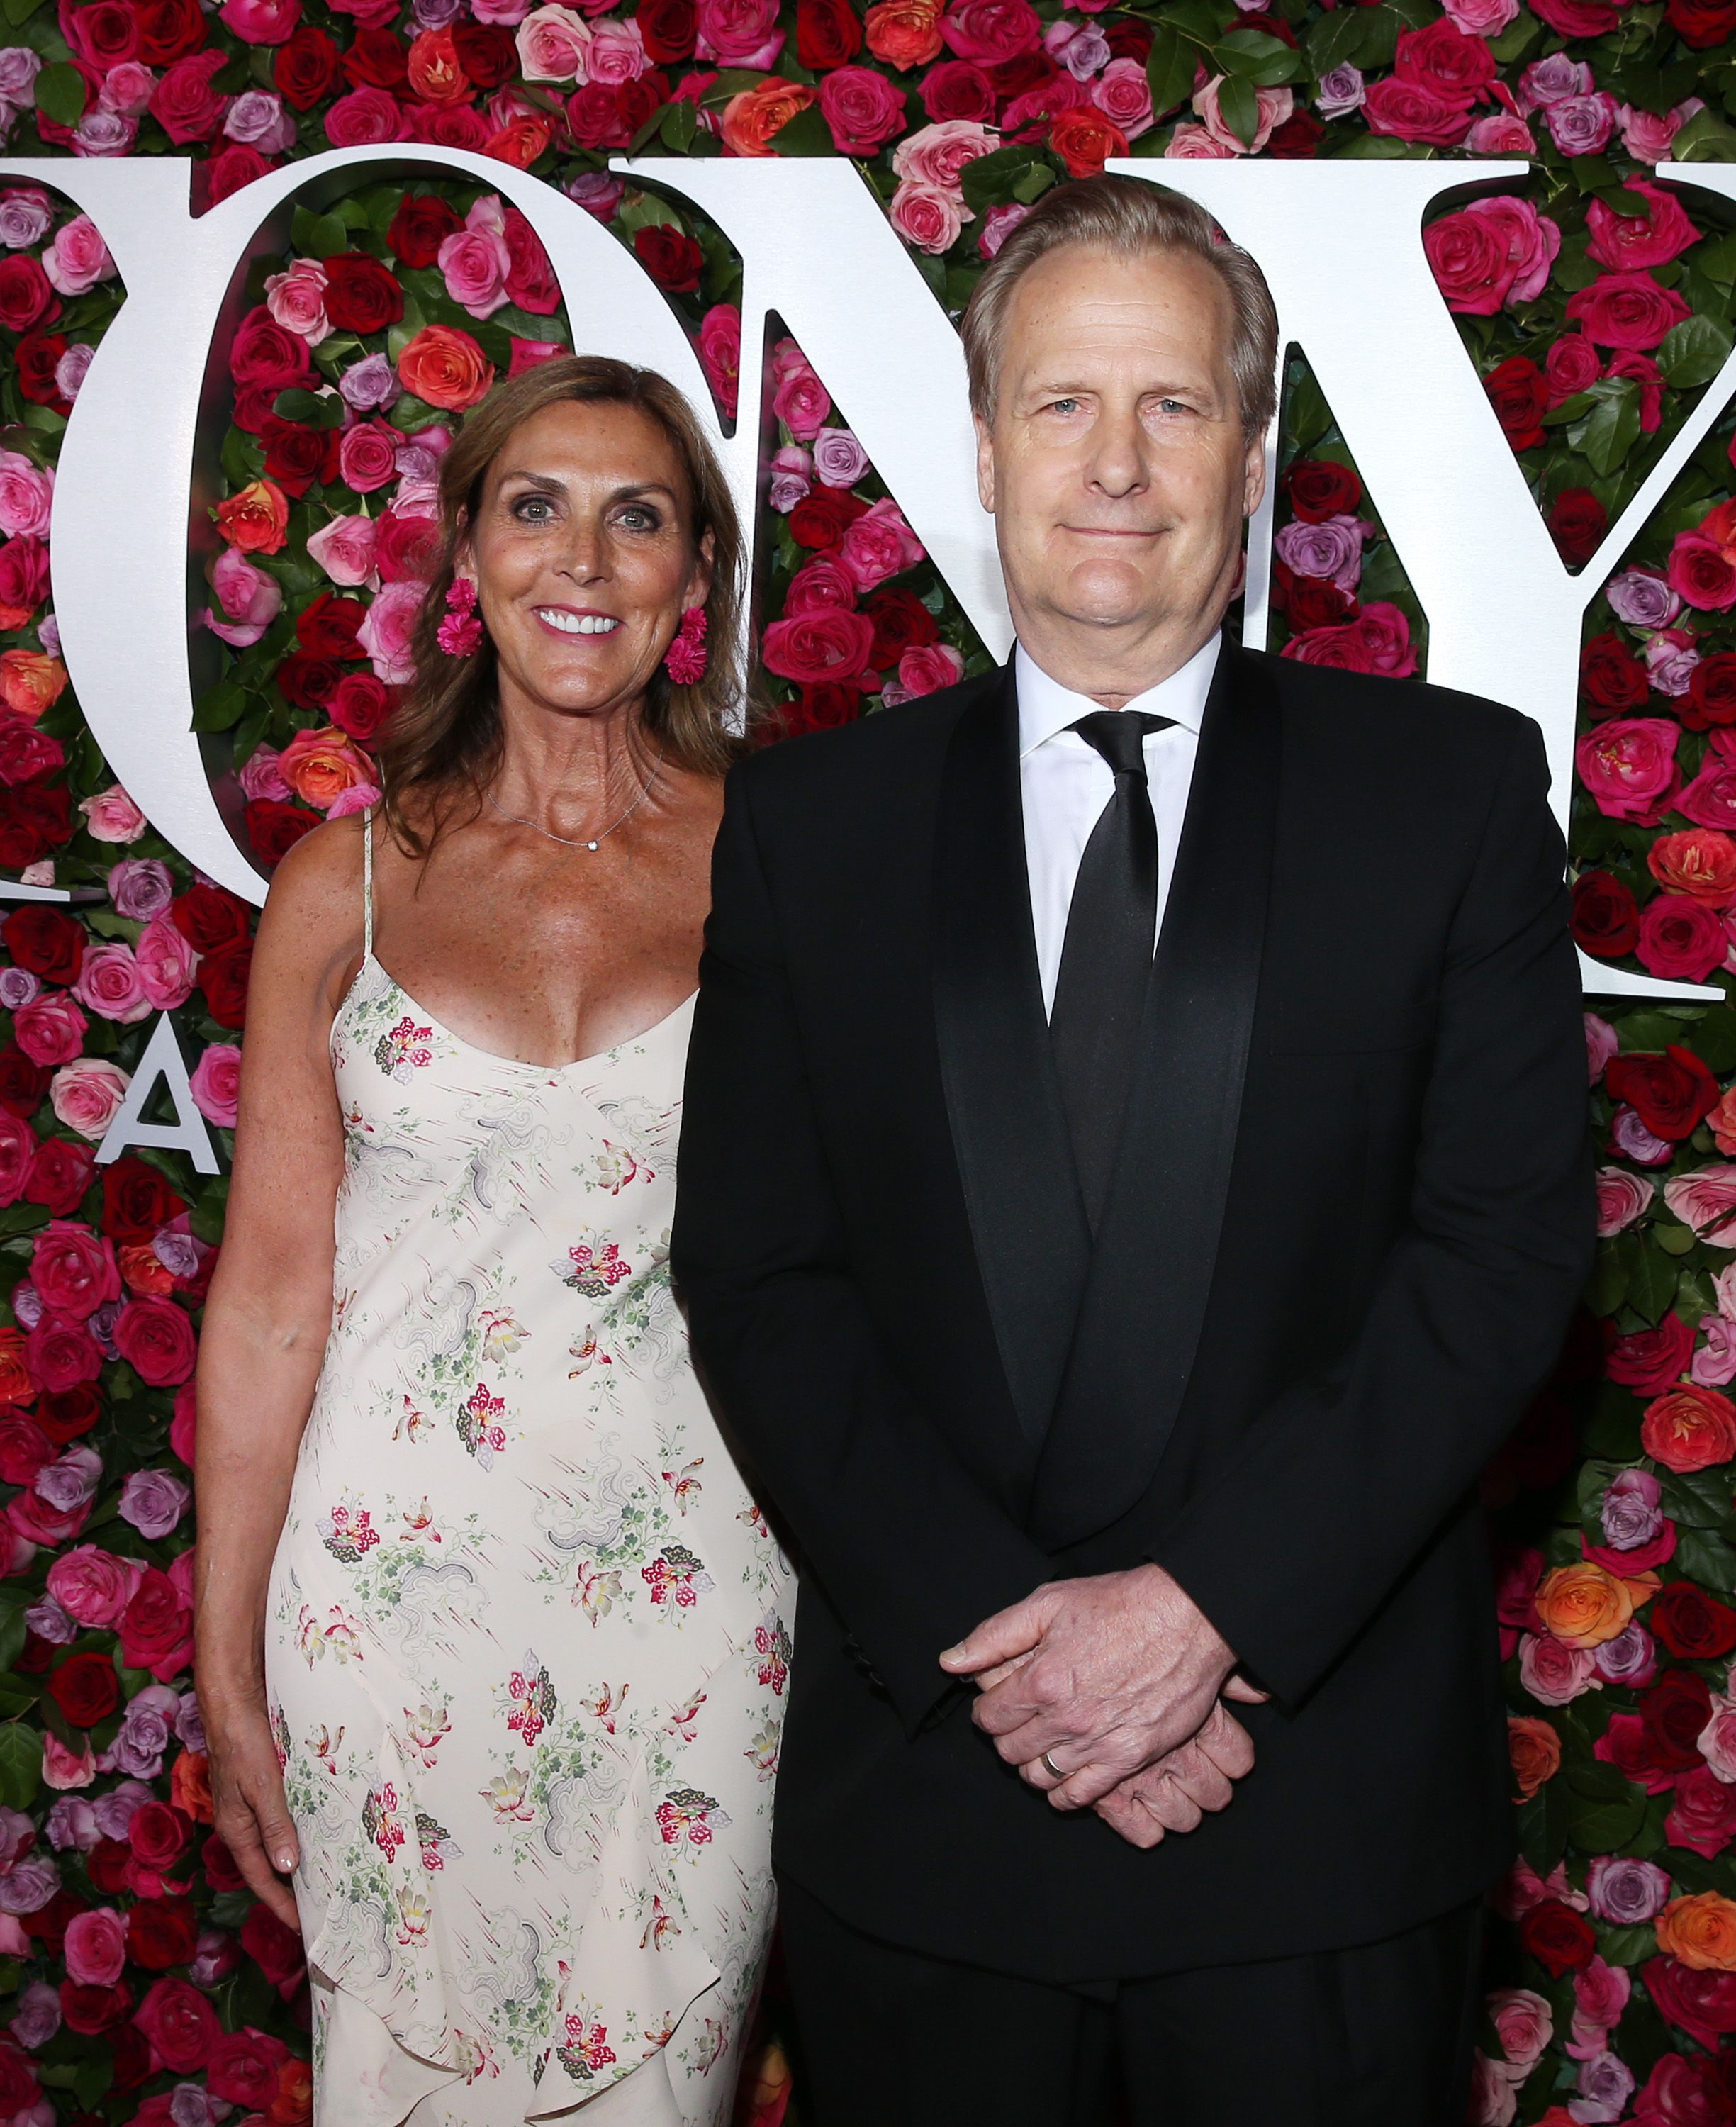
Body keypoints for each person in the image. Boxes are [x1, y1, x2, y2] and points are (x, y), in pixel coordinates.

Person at [671, 177, 1592, 2125]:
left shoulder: (1440, 794)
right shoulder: (808, 832)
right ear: (985, 444)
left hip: (1309, 1806)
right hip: (936, 1810)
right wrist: (1031, 1671)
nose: (1114, 463)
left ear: (1250, 460)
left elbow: (1496, 1259)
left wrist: (1207, 1619)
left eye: (1172, 406)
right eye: (1062, 403)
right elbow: (764, 1279)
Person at [194, 356, 793, 2127]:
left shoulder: (787, 863)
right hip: (384, 1607)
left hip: (703, 1600)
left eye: (640, 517)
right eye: (535, 506)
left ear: (696, 574)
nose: (582, 560)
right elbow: (273, 1304)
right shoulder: (344, 880)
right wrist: (228, 1667)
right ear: (464, 548)